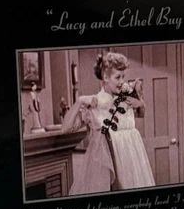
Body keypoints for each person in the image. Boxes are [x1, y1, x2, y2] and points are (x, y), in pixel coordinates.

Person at [61, 51, 155, 194]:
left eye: (123, 76)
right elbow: (65, 129)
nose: (122, 81)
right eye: (117, 77)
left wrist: (140, 103)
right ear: (105, 77)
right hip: (106, 168)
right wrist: (79, 101)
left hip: (132, 165)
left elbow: (141, 113)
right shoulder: (94, 104)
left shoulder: (126, 97)